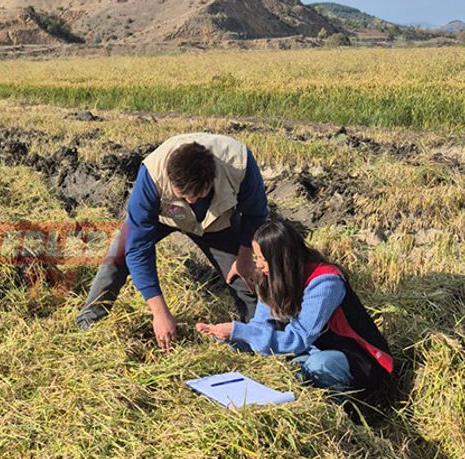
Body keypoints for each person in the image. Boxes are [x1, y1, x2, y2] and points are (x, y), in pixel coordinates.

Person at [76, 133, 268, 352]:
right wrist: (160, 312)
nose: (190, 201)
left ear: (210, 180)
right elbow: (138, 248)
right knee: (118, 255)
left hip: (216, 221)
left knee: (243, 276)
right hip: (164, 217)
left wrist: (244, 258)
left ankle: (257, 335)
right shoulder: (152, 175)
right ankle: (89, 321)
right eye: (183, 196)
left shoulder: (239, 163)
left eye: (196, 195)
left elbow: (256, 214)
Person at [196, 219, 394, 392]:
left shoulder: (325, 283)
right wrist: (230, 337)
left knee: (318, 366)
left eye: (263, 259)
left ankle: (344, 416)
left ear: (282, 259)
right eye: (257, 258)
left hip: (357, 359)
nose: (258, 265)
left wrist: (240, 331)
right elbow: (260, 327)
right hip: (310, 352)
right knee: (287, 373)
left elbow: (299, 338)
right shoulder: (272, 277)